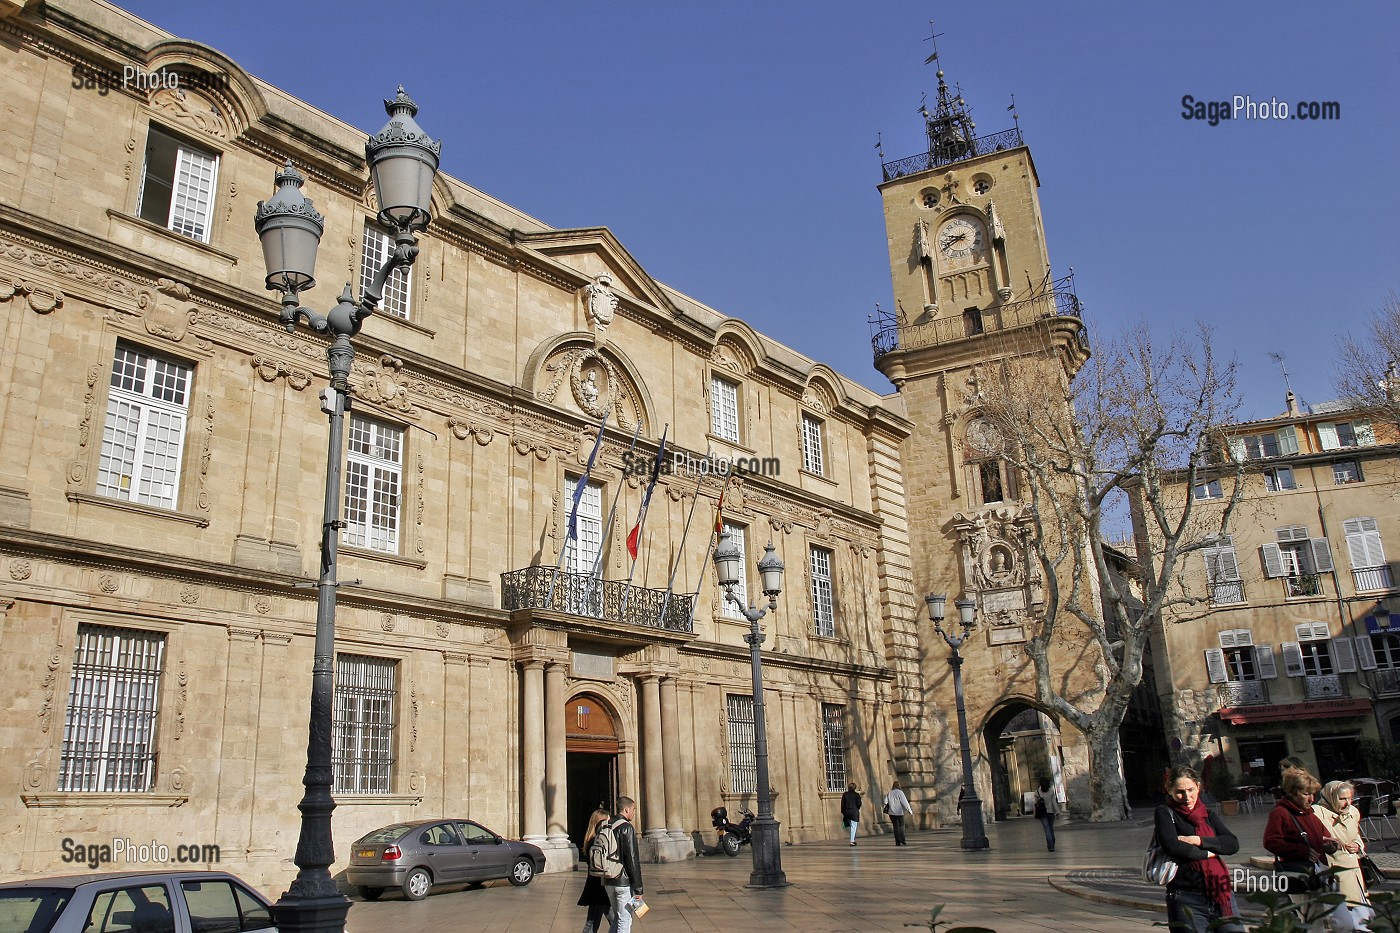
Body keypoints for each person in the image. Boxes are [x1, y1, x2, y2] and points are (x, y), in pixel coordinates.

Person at [1155, 765, 1243, 933]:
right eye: (1180, 791)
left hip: (1221, 894)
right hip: (1186, 897)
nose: (1187, 797)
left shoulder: (1208, 815)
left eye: (1191, 790)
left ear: (1198, 786)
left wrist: (1197, 840)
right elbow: (1173, 847)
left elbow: (1232, 844)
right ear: (1169, 790)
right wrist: (1210, 852)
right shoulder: (1165, 813)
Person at [1265, 767, 1349, 932]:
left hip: (1322, 873)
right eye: (1306, 794)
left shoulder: (1310, 813)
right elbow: (1271, 842)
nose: (1311, 798)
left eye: (1313, 794)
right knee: (1313, 926)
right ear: (1293, 792)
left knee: (1344, 921)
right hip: (1300, 876)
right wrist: (1301, 850)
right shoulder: (1280, 813)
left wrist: (1330, 845)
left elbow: (1323, 836)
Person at [1315, 780, 1372, 929]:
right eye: (1342, 799)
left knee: (1364, 916)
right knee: (1344, 921)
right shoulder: (1317, 813)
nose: (1347, 803)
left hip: (1355, 871)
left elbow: (1356, 835)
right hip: (1334, 872)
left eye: (1349, 798)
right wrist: (1329, 842)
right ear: (1331, 797)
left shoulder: (1353, 812)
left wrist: (1358, 845)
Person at [604, 797, 644, 933]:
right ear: (626, 809)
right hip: (622, 882)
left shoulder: (606, 824)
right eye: (633, 810)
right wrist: (638, 888)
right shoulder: (627, 828)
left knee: (617, 918)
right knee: (624, 920)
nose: (634, 813)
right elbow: (632, 859)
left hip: (607, 879)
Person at [578, 807, 612, 933]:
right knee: (594, 923)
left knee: (598, 921)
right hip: (600, 888)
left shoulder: (591, 840)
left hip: (596, 887)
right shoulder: (597, 842)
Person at [1034, 777, 1061, 852]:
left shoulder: (1037, 792)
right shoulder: (1051, 791)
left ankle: (1050, 846)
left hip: (1042, 813)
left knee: (1047, 830)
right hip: (1050, 812)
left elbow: (1035, 804)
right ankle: (1052, 843)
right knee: (1051, 828)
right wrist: (1057, 811)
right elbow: (1054, 803)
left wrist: (1034, 813)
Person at [884, 780, 913, 846]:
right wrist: (910, 811)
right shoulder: (900, 793)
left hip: (891, 813)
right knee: (901, 826)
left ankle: (897, 841)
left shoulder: (890, 792)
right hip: (899, 812)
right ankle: (902, 839)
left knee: (895, 827)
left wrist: (890, 803)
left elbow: (885, 801)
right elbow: (905, 802)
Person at [841, 782, 862, 846]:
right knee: (854, 826)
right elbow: (859, 804)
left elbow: (842, 804)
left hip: (847, 812)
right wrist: (857, 808)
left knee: (851, 826)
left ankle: (853, 839)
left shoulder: (845, 794)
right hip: (854, 812)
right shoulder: (856, 795)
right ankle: (852, 841)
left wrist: (843, 812)